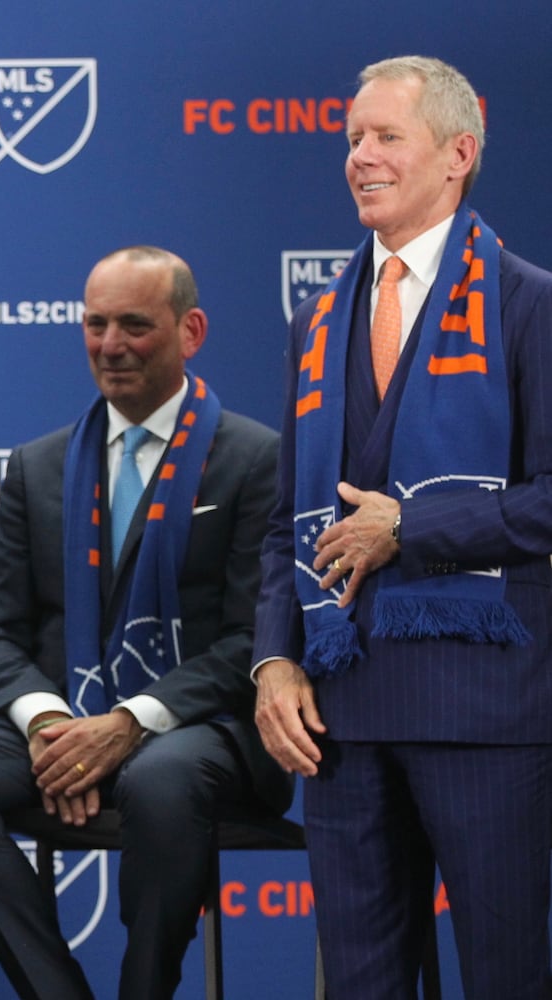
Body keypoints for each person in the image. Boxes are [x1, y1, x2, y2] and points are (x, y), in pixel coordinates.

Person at [0, 247, 289, 999]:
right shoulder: (38, 467)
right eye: (96, 325)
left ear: (190, 330)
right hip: (66, 722)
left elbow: (254, 642)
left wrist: (130, 724)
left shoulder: (257, 458)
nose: (111, 346)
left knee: (163, 776)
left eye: (135, 325)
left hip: (209, 730)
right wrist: (50, 729)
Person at [252, 56, 552, 996]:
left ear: (458, 154)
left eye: (387, 137)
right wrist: (274, 661)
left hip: (485, 714)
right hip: (340, 718)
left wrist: (413, 527)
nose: (360, 157)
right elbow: (280, 526)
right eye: (352, 139)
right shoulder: (317, 320)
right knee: (360, 986)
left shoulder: (529, 304)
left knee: (505, 979)